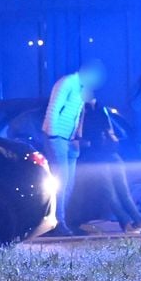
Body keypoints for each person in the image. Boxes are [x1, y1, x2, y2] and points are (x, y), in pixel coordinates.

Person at [70, 92, 141, 234]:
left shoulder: (100, 109)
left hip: (109, 154)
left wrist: (111, 141)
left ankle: (138, 221)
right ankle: (128, 223)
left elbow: (109, 130)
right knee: (110, 192)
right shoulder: (81, 111)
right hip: (96, 157)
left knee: (122, 190)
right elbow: (79, 135)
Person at [42, 59, 106, 231]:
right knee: (61, 181)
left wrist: (77, 137)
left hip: (69, 140)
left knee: (69, 182)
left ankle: (62, 220)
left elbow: (78, 115)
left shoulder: (82, 88)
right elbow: (53, 109)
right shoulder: (67, 83)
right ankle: (58, 223)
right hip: (57, 138)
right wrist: (54, 135)